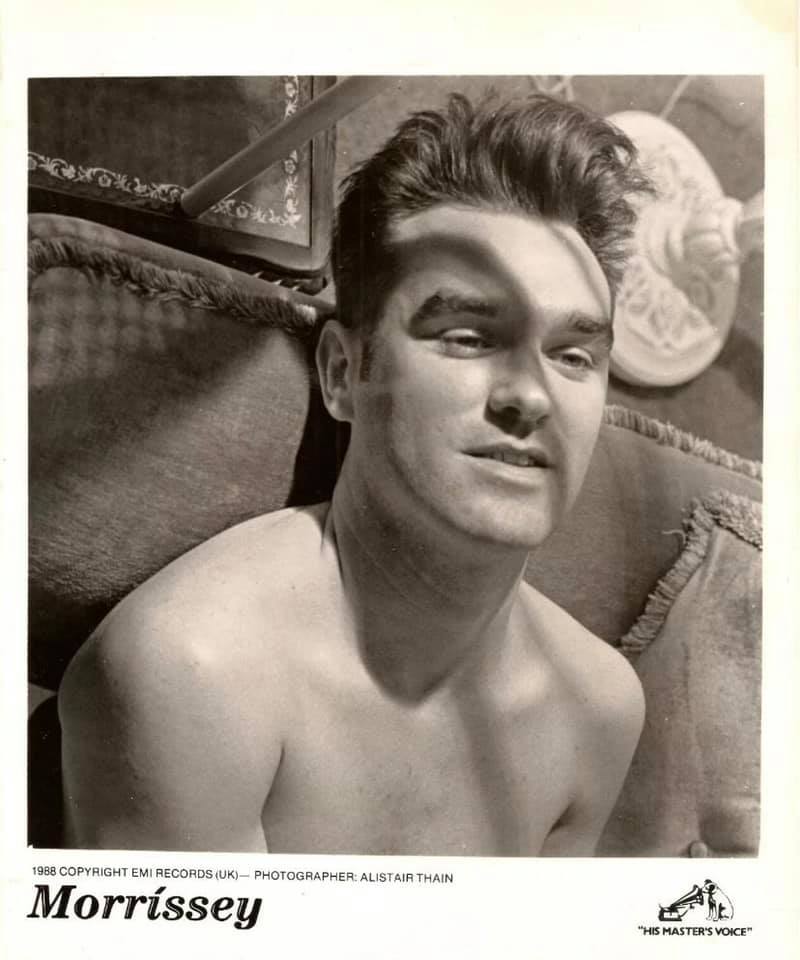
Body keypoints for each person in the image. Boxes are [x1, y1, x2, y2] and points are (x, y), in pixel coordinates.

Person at [59, 92, 653, 855]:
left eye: (572, 355)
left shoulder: (602, 710)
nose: (530, 397)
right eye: (468, 337)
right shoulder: (193, 671)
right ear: (343, 373)